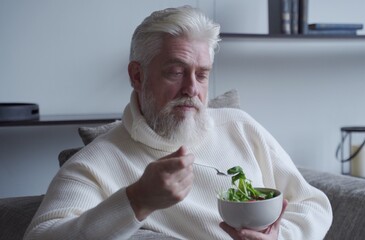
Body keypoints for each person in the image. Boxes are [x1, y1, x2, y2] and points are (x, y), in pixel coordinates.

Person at [24, 6, 332, 240]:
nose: (192, 90)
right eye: (175, 72)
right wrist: (137, 200)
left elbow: (314, 205)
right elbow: (42, 234)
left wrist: (279, 236)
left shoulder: (240, 127)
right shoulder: (97, 162)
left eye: (202, 74)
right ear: (137, 75)